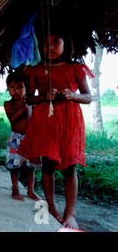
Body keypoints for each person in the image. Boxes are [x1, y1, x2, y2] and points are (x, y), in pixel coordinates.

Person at [19, 33, 93, 229]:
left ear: (65, 45)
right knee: (48, 165)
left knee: (70, 166)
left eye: (55, 42)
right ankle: (51, 206)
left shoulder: (75, 68)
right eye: (45, 43)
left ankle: (71, 212)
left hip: (70, 121)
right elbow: (29, 99)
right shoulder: (36, 70)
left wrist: (73, 96)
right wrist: (43, 96)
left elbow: (88, 97)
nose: (49, 46)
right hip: (46, 121)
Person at [4, 72, 41, 202]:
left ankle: (31, 190)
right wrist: (24, 108)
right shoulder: (8, 104)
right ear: (8, 88)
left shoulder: (31, 103)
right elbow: (12, 120)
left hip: (31, 137)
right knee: (14, 166)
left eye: (20, 87)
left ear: (26, 88)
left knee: (31, 166)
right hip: (15, 138)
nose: (16, 91)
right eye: (12, 87)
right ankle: (15, 189)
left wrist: (29, 105)